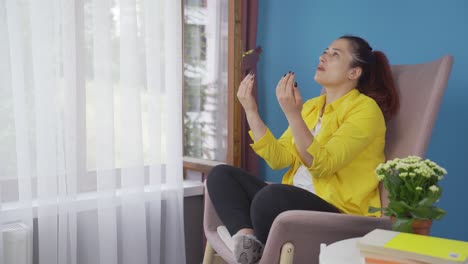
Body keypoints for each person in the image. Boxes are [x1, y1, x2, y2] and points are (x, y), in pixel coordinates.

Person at [206, 35, 399, 264]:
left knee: (270, 197)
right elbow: (279, 159)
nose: (323, 56)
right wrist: (250, 111)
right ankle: (248, 242)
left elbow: (322, 166)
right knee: (221, 175)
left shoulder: (365, 111)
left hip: (337, 214)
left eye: (334, 54)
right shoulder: (311, 107)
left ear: (354, 72)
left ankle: (255, 242)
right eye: (325, 51)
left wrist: (292, 114)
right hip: (295, 203)